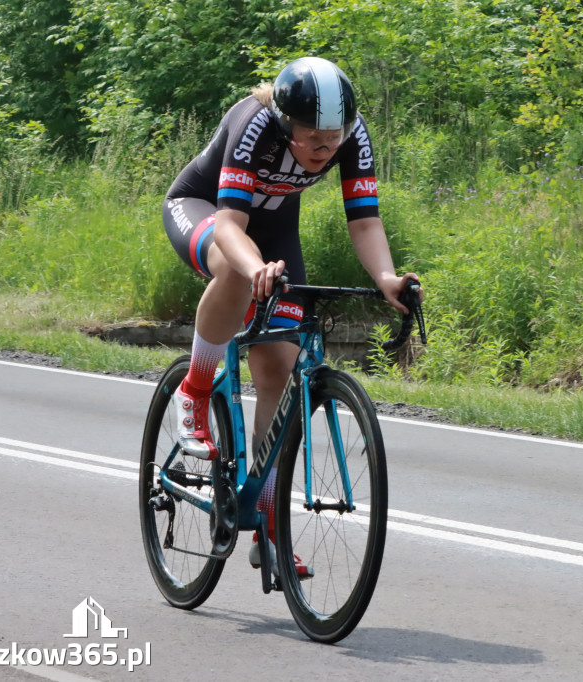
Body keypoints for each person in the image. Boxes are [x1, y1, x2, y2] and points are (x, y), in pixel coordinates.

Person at [162, 56, 421, 577]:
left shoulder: (350, 133)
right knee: (236, 274)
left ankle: (269, 521)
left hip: (276, 228)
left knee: (279, 368)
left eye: (335, 140)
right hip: (205, 209)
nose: (327, 151)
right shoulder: (255, 124)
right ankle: (194, 387)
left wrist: (387, 280)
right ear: (286, 125)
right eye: (315, 141)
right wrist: (256, 268)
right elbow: (233, 224)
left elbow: (365, 220)